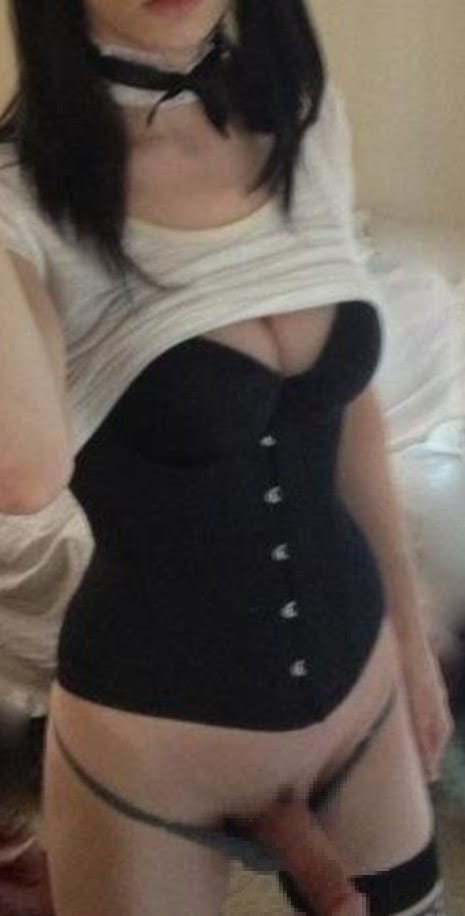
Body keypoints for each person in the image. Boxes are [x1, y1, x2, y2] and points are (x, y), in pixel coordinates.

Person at [0, 0, 454, 913]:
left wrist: (409, 636)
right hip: (152, 752)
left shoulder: (304, 118)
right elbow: (28, 473)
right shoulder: (20, 196)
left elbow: (347, 411)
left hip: (361, 698)